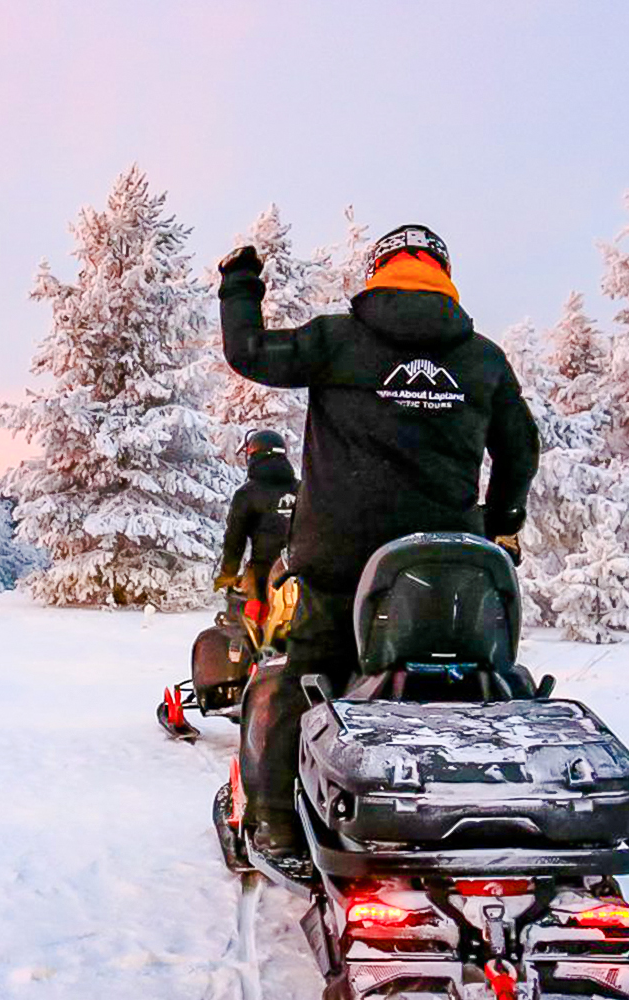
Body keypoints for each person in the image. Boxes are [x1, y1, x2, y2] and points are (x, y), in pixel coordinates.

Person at [218, 223, 540, 859]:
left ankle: (279, 825)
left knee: (302, 677)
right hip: (449, 568)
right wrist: (501, 524)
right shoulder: (482, 358)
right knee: (475, 683)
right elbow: (519, 448)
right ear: (442, 277)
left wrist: (239, 283)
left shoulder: (337, 341)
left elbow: (249, 352)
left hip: (342, 563)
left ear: (377, 273)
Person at [214, 429, 300, 622]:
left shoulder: (247, 494)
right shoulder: (302, 489)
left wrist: (228, 572)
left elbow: (235, 538)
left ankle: (250, 645)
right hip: (302, 571)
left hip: (264, 572)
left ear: (253, 456)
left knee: (244, 617)